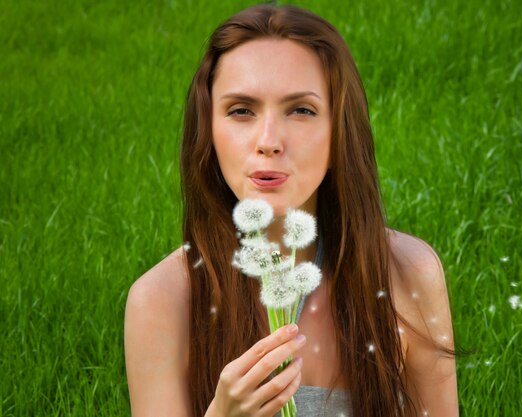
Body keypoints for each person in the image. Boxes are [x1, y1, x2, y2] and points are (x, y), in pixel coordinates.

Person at [124, 3, 458, 417]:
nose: (269, 140)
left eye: (301, 110)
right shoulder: (162, 301)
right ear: (207, 132)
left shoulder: (406, 274)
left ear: (340, 133)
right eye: (241, 110)